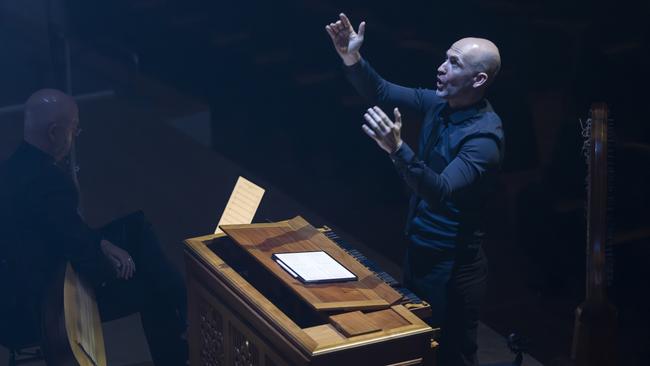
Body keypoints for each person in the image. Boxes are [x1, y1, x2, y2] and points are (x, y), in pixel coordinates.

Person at [326, 14, 504, 366]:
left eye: (454, 63)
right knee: (417, 346)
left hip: (453, 268)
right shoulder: (440, 103)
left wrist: (397, 149)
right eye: (445, 57)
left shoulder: (484, 139)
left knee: (452, 357)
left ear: (478, 79)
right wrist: (352, 58)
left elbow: (438, 191)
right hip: (419, 249)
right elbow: (381, 91)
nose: (441, 67)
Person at [0, 89, 187, 365]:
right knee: (151, 285)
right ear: (54, 132)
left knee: (135, 227)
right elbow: (88, 261)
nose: (74, 137)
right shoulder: (50, 183)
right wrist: (116, 266)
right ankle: (184, 317)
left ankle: (182, 303)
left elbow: (63, 231)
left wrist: (103, 242)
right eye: (73, 129)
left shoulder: (12, 168)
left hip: (16, 297)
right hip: (45, 307)